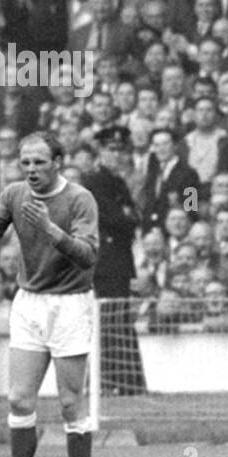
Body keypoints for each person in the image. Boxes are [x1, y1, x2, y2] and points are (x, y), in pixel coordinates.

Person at [0, 131, 100, 457]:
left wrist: (51, 230)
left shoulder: (79, 199)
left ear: (58, 161)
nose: (32, 169)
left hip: (69, 305)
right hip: (29, 303)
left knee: (71, 402)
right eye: (26, 162)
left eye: (39, 162)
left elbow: (88, 256)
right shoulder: (14, 194)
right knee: (19, 398)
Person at [82, 125, 146, 395]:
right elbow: (117, 218)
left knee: (119, 320)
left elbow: (134, 216)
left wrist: (128, 216)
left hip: (118, 258)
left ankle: (127, 381)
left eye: (121, 150)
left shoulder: (118, 182)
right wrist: (127, 215)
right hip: (106, 261)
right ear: (100, 151)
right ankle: (109, 381)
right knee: (109, 320)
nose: (117, 155)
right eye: (111, 149)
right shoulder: (94, 181)